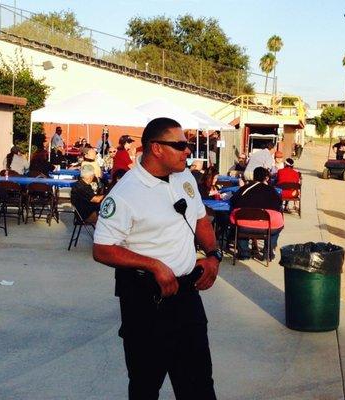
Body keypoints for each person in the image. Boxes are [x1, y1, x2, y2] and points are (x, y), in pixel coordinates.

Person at [93, 117, 220, 399]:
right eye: (180, 145)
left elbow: (201, 220)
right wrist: (153, 265)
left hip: (187, 294)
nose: (188, 151)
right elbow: (102, 248)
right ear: (156, 148)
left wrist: (213, 255)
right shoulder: (126, 193)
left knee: (199, 384)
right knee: (146, 384)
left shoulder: (185, 177)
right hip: (146, 299)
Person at [230, 166, 284, 261]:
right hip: (267, 226)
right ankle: (268, 253)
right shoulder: (271, 190)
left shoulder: (244, 189)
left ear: (254, 177)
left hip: (244, 225)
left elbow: (233, 201)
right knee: (279, 224)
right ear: (266, 178)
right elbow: (279, 205)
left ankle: (244, 252)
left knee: (237, 221)